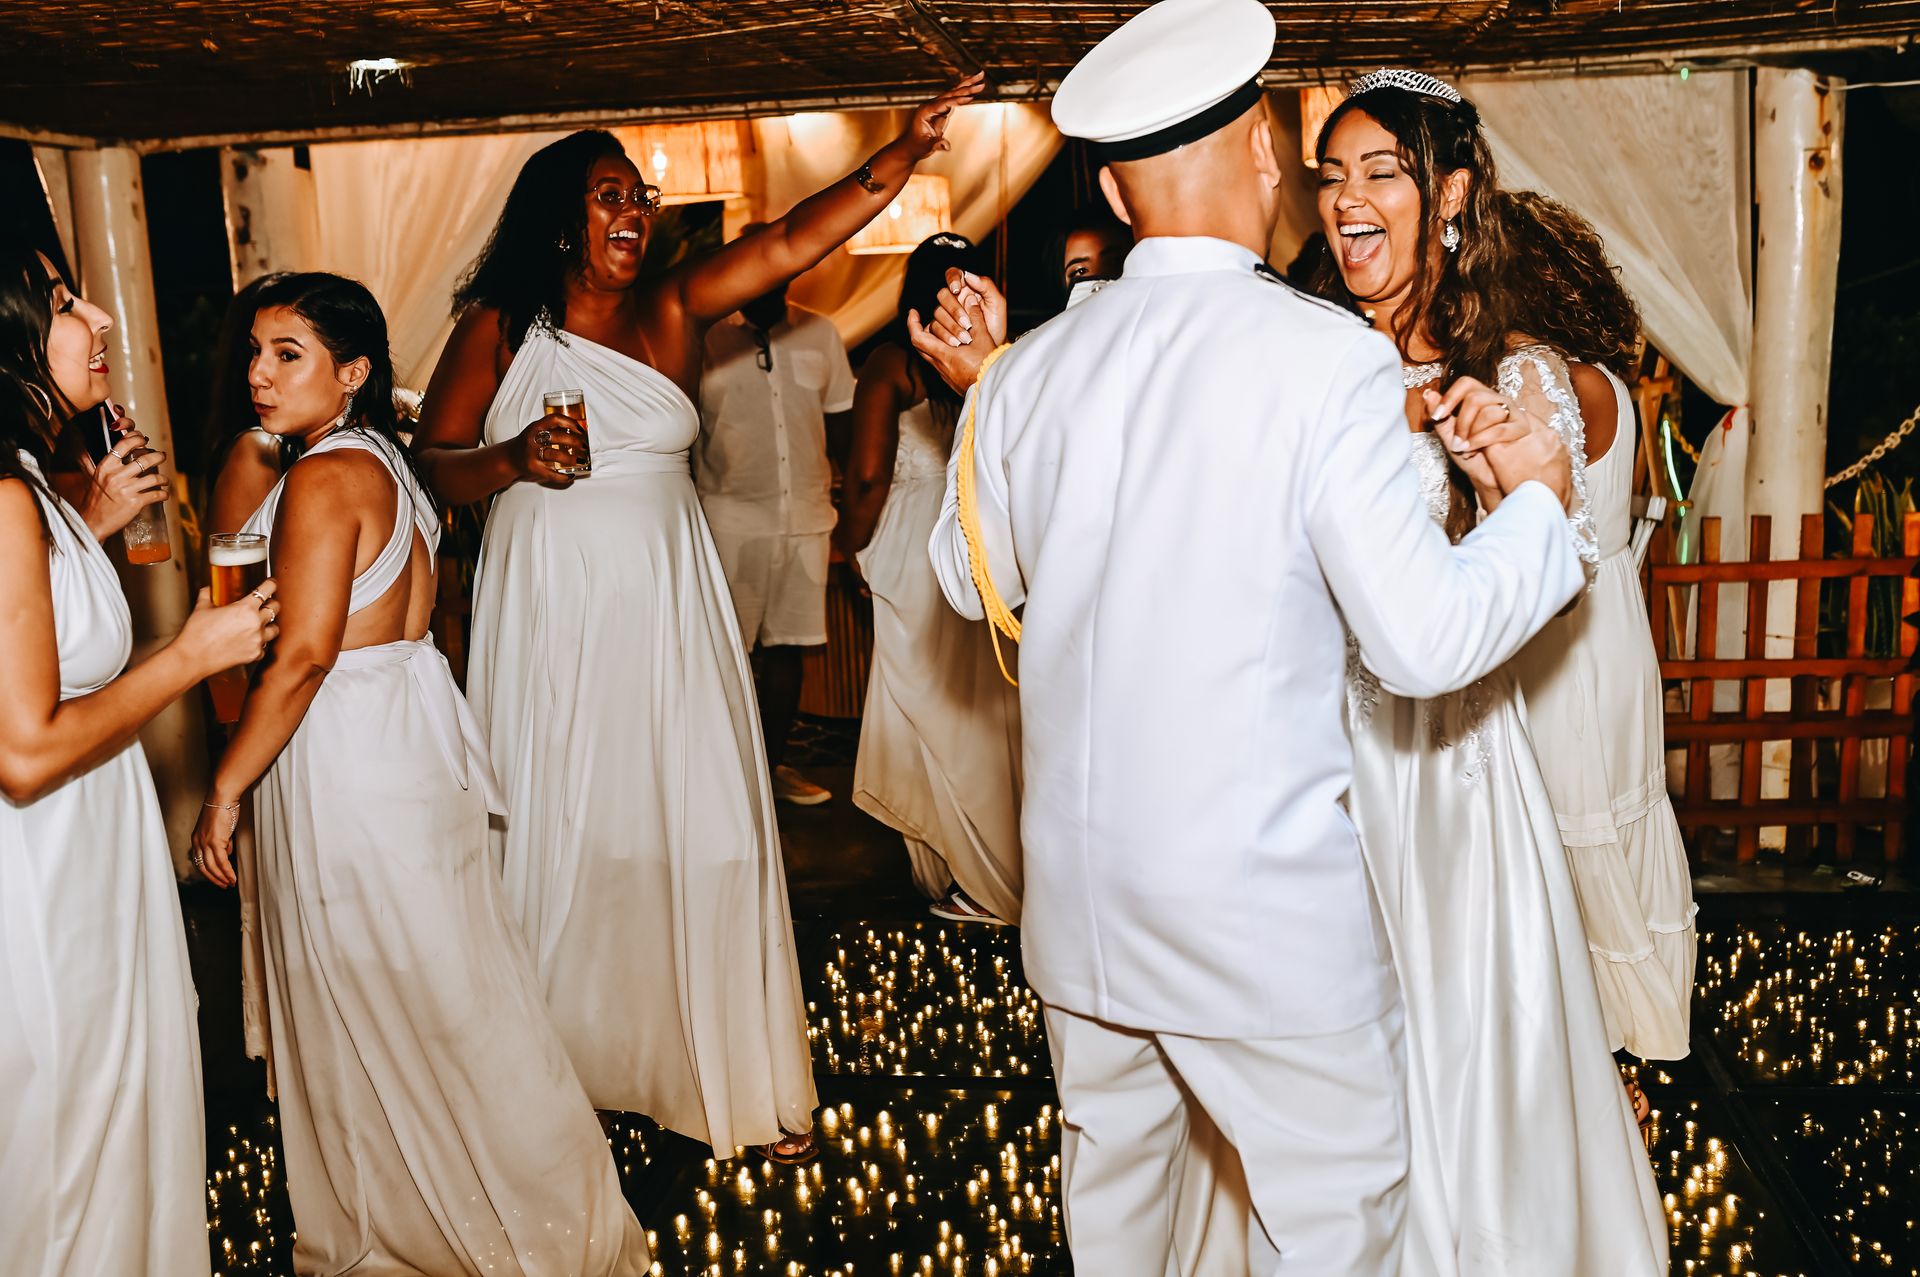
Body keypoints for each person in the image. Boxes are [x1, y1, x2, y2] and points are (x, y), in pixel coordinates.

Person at [910, 0, 1586, 1268]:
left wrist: (990, 414)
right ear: (1269, 157)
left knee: (1120, 1225)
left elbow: (965, 580)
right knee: (1334, 1221)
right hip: (1257, 913)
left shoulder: (1029, 374)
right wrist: (1539, 503)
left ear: (1114, 193)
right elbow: (1425, 642)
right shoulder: (1326, 364)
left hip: (1080, 905)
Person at [414, 75, 982, 1164]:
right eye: (607, 195)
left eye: (640, 195)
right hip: (552, 610)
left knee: (702, 826)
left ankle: (728, 1073)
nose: (634, 213)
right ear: (559, 219)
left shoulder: (671, 309)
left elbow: (790, 242)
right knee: (567, 830)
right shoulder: (500, 329)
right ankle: (562, 1074)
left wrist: (900, 158)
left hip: (670, 605)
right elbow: (431, 467)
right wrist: (512, 457)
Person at [189, 273, 649, 1276]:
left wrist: (224, 786)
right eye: (256, 352)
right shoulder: (390, 464)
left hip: (342, 742)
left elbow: (305, 655)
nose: (259, 376)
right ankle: (520, 1204)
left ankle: (410, 1222)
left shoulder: (317, 478)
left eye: (289, 354)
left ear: (352, 372)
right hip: (408, 731)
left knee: (368, 986)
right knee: (449, 985)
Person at [1312, 72, 1666, 1273]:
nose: (1346, 200)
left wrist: (1499, 482)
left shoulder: (1511, 378)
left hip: (1451, 778)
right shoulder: (1302, 362)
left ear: (1451, 193)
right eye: (1331, 175)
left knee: (1466, 1045)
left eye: (1381, 172)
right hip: (1313, 757)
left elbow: (1553, 573)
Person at [0, 245, 277, 1277]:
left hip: (86, 856)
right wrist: (191, 655)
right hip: (42, 881)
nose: (102, 317)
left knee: (104, 1141)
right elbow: (23, 752)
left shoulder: (31, 482)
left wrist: (90, 523)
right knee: (66, 1162)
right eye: (65, 302)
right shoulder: (5, 498)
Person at [1499, 189, 1699, 1070]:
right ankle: (1637, 1033)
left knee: (1568, 825)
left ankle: (1592, 1050)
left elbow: (1533, 530)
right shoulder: (1606, 379)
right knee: (1620, 812)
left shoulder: (1529, 379)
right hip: (1617, 625)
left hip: (1562, 636)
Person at [841, 233, 1023, 925]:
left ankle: (972, 873)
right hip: (978, 534)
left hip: (915, 549)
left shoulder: (893, 361)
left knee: (931, 722)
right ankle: (1001, 870)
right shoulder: (1003, 358)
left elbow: (864, 475)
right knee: (982, 719)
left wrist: (851, 547)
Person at [695, 222, 856, 807]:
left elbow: (842, 429)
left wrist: (858, 522)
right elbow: (684, 439)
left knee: (790, 651)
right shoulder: (705, 338)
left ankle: (770, 769)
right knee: (726, 654)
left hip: (807, 519)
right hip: (728, 521)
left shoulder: (821, 332)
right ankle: (725, 780)